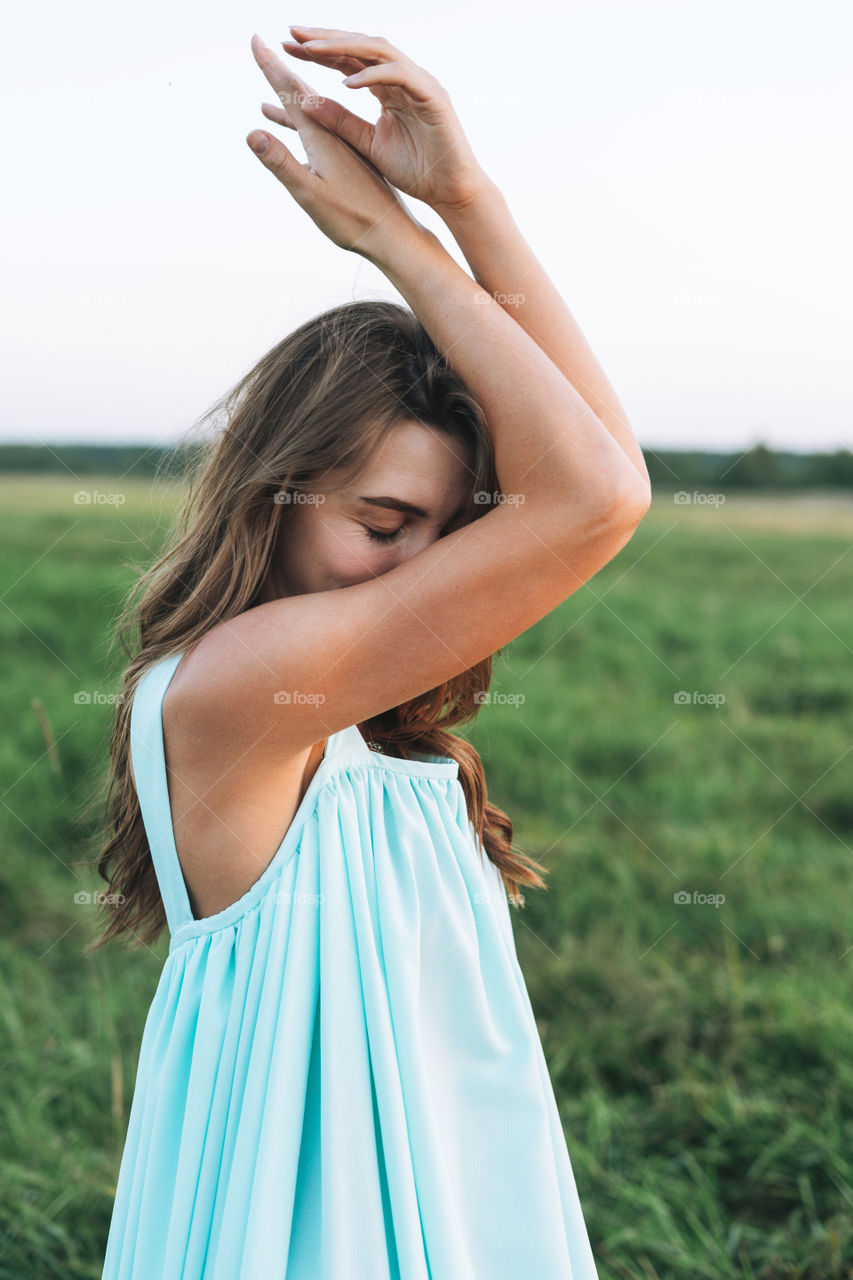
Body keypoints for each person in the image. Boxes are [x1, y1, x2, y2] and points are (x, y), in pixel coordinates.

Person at [94, 26, 651, 1278]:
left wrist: (467, 200)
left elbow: (601, 468)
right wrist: (399, 245)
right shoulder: (235, 691)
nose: (426, 569)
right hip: (303, 1229)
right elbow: (599, 499)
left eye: (452, 532)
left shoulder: (345, 714)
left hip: (450, 1196)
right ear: (270, 500)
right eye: (384, 523)